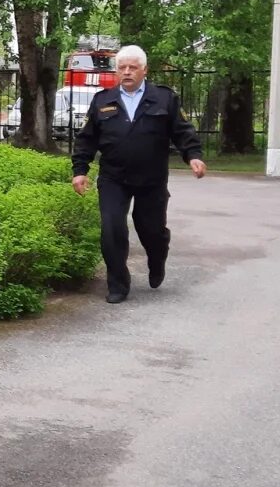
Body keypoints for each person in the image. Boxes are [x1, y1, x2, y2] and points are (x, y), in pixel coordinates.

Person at [70, 44, 207, 303]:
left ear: (144, 70)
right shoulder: (103, 100)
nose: (127, 72)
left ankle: (157, 259)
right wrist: (80, 170)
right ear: (116, 71)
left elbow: (182, 131)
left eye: (133, 67)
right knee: (112, 229)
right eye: (122, 67)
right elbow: (86, 140)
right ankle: (118, 285)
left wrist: (194, 156)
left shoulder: (164, 98)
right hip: (113, 178)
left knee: (151, 230)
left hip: (151, 179)